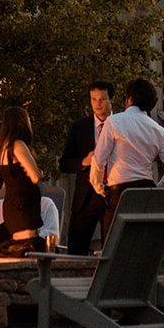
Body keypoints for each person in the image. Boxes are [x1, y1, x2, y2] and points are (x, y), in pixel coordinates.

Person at [91, 76, 164, 225]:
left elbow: (99, 159)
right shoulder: (157, 129)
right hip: (147, 188)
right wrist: (159, 187)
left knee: (115, 240)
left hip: (120, 190)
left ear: (129, 98)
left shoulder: (114, 122)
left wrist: (99, 186)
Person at [59, 79, 114, 254]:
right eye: (93, 99)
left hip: (112, 192)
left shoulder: (121, 124)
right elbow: (64, 163)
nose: (97, 104)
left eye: (101, 99)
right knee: (77, 247)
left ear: (111, 99)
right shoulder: (80, 128)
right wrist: (84, 161)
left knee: (112, 246)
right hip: (86, 195)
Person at [0, 106, 44, 248]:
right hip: (24, 206)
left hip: (11, 205)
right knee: (28, 246)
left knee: (17, 245)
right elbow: (35, 176)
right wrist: (40, 172)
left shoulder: (2, 149)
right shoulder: (17, 145)